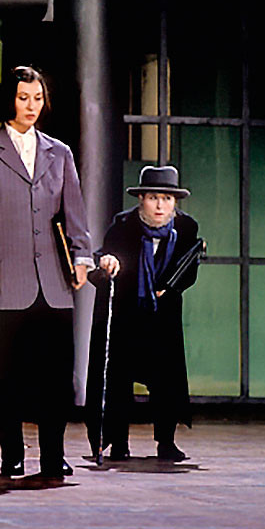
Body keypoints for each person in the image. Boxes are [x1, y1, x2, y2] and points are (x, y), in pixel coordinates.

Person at [0, 66, 93, 477]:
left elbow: (75, 212)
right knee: (6, 377)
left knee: (57, 377)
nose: (31, 106)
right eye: (23, 98)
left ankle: (53, 454)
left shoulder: (60, 153)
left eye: (37, 98)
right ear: (8, 100)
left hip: (54, 282)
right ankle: (12, 454)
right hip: (2, 280)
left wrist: (82, 257)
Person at [85, 165, 200, 462]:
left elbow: (189, 268)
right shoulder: (123, 226)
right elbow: (104, 257)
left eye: (167, 199)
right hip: (126, 313)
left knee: (166, 379)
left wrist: (169, 288)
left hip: (162, 315)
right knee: (118, 378)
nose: (160, 206)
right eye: (153, 198)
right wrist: (108, 262)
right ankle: (118, 442)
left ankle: (166, 442)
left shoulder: (186, 228)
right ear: (141, 200)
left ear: (175, 203)